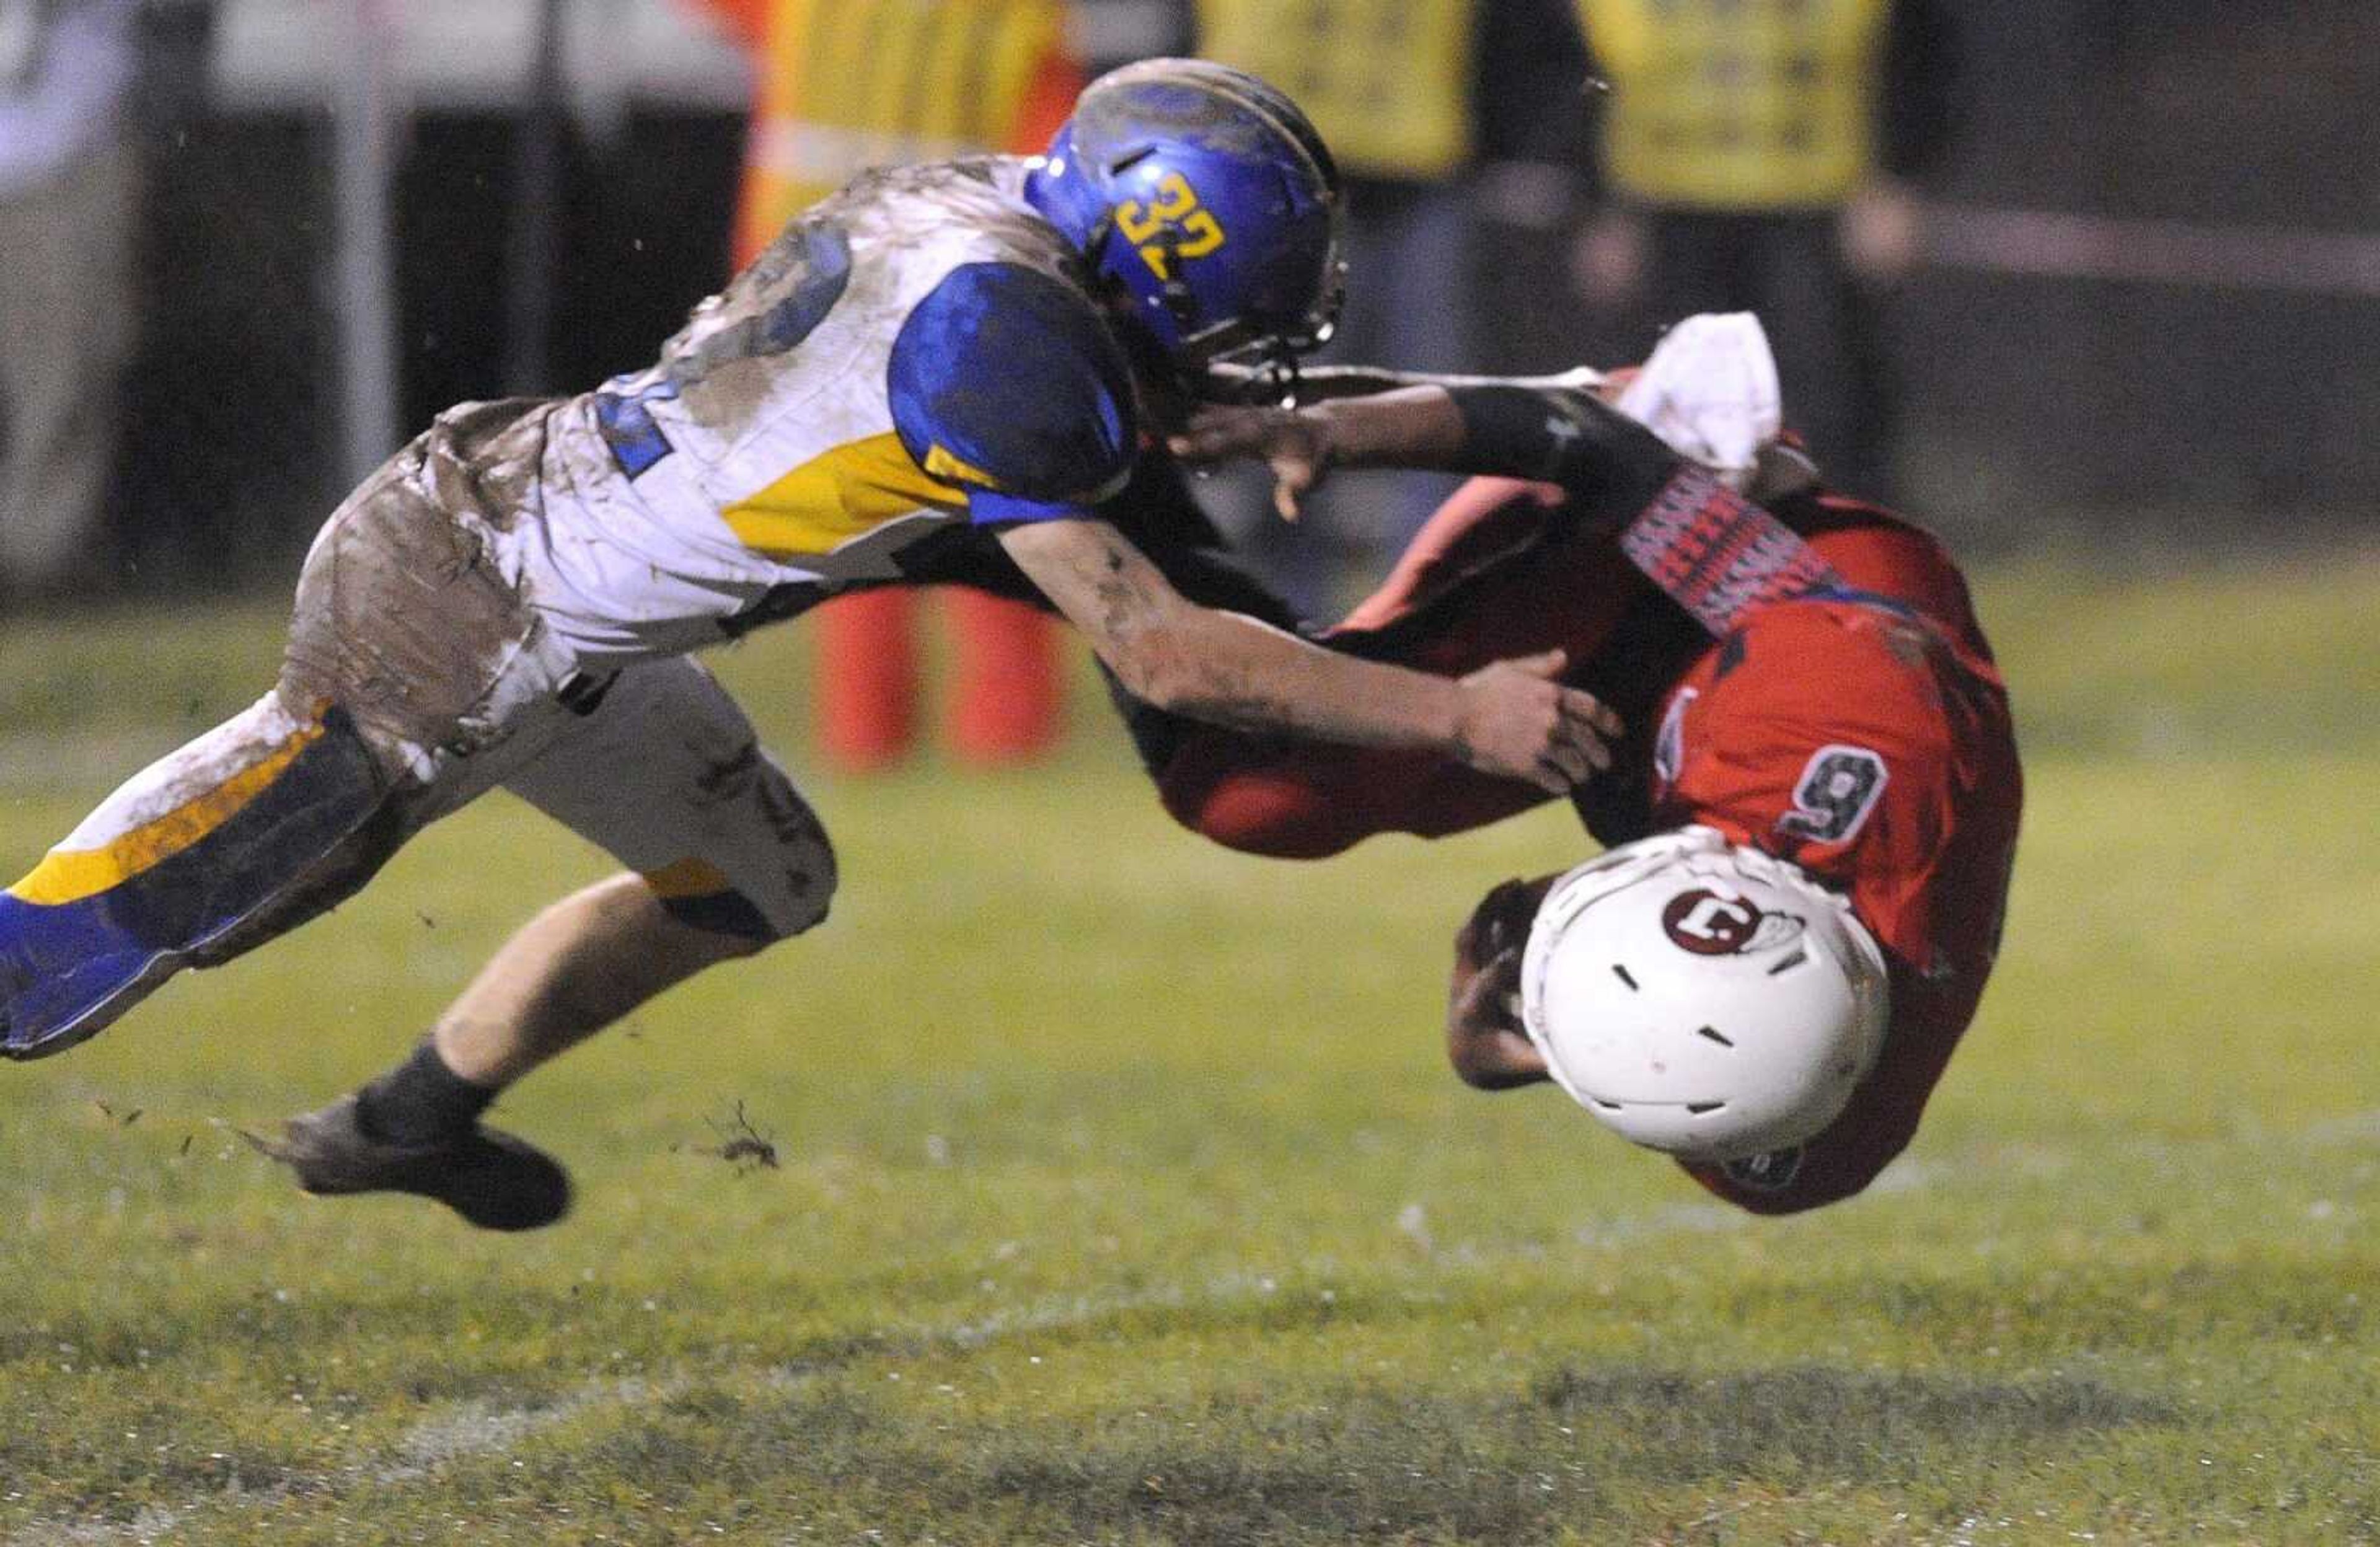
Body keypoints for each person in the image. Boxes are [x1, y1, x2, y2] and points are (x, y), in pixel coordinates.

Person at [0, 60, 1620, 1230]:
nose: (1248, 344)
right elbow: (1168, 654)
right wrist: (1456, 714)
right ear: (1161, 249)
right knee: (134, 929)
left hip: (586, 608)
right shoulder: (1006, 345)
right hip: (466, 596)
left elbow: (1117, 396)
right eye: (1241, 302)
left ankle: (407, 1123)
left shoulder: (982, 210)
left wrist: (1431, 418)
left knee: (762, 880)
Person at [1152, 313, 2021, 1212]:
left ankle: (1117, 507)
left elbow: (1675, 1035)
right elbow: (1602, 456)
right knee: (1259, 788)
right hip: (1776, 591)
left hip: (1685, 748)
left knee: (1253, 801)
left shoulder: (1787, 1134)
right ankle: (1095, 473)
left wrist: (1550, 1043)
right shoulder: (1845, 708)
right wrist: (1324, 431)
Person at [694, 0, 1083, 772]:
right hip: (960, 265)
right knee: (998, 494)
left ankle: (872, 735)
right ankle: (1003, 733)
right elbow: (1050, 122)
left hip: (810, 264)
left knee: (852, 503)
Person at [1571, 0, 1962, 499]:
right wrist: (1598, 204)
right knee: (1668, 410)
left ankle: (1846, 557)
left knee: (1828, 409)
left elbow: (1919, 47)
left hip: (1817, 205)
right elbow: (1578, 57)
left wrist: (1898, 176)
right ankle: (1667, 559)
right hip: (1667, 207)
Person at [0, 0, 141, 602]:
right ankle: (28, 556)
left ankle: (47, 553)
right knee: (45, 372)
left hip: (93, 132)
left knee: (95, 356)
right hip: (24, 156)